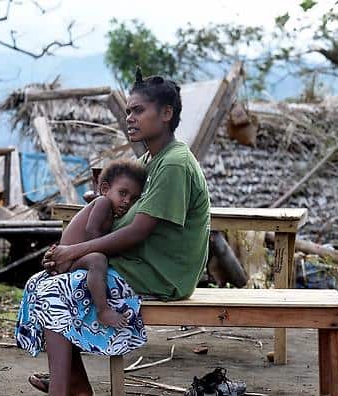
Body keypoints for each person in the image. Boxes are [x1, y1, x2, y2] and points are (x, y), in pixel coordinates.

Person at [16, 67, 210, 396]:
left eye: (138, 110)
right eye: (128, 110)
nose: (130, 117)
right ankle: (74, 383)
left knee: (58, 291)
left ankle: (64, 389)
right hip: (139, 265)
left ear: (166, 113)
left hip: (161, 275)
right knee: (41, 283)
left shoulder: (174, 164)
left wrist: (73, 251)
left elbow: (137, 231)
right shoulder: (150, 160)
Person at [49, 159, 147, 328]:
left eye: (133, 199)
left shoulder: (111, 209)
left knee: (98, 258)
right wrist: (111, 251)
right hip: (68, 261)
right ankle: (103, 310)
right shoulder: (103, 202)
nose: (126, 201)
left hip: (74, 258)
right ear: (105, 189)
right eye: (123, 193)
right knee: (98, 260)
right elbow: (91, 231)